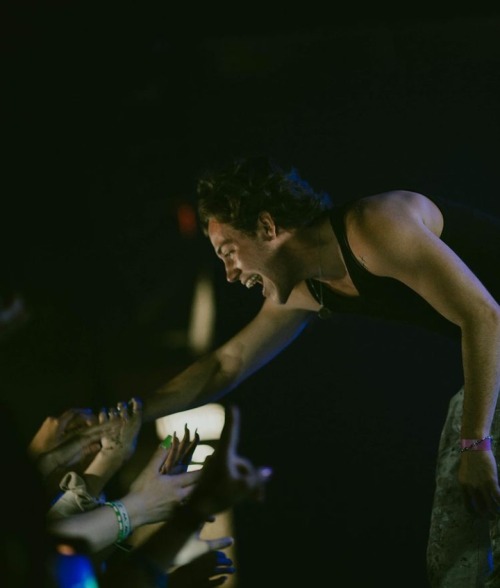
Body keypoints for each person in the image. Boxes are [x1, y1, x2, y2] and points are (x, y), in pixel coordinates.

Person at [135, 155, 500, 587]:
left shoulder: (375, 226)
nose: (230, 275)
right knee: (457, 560)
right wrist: (132, 414)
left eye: (228, 252)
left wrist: (475, 443)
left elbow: (484, 316)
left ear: (267, 227)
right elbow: (224, 364)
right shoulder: (309, 288)